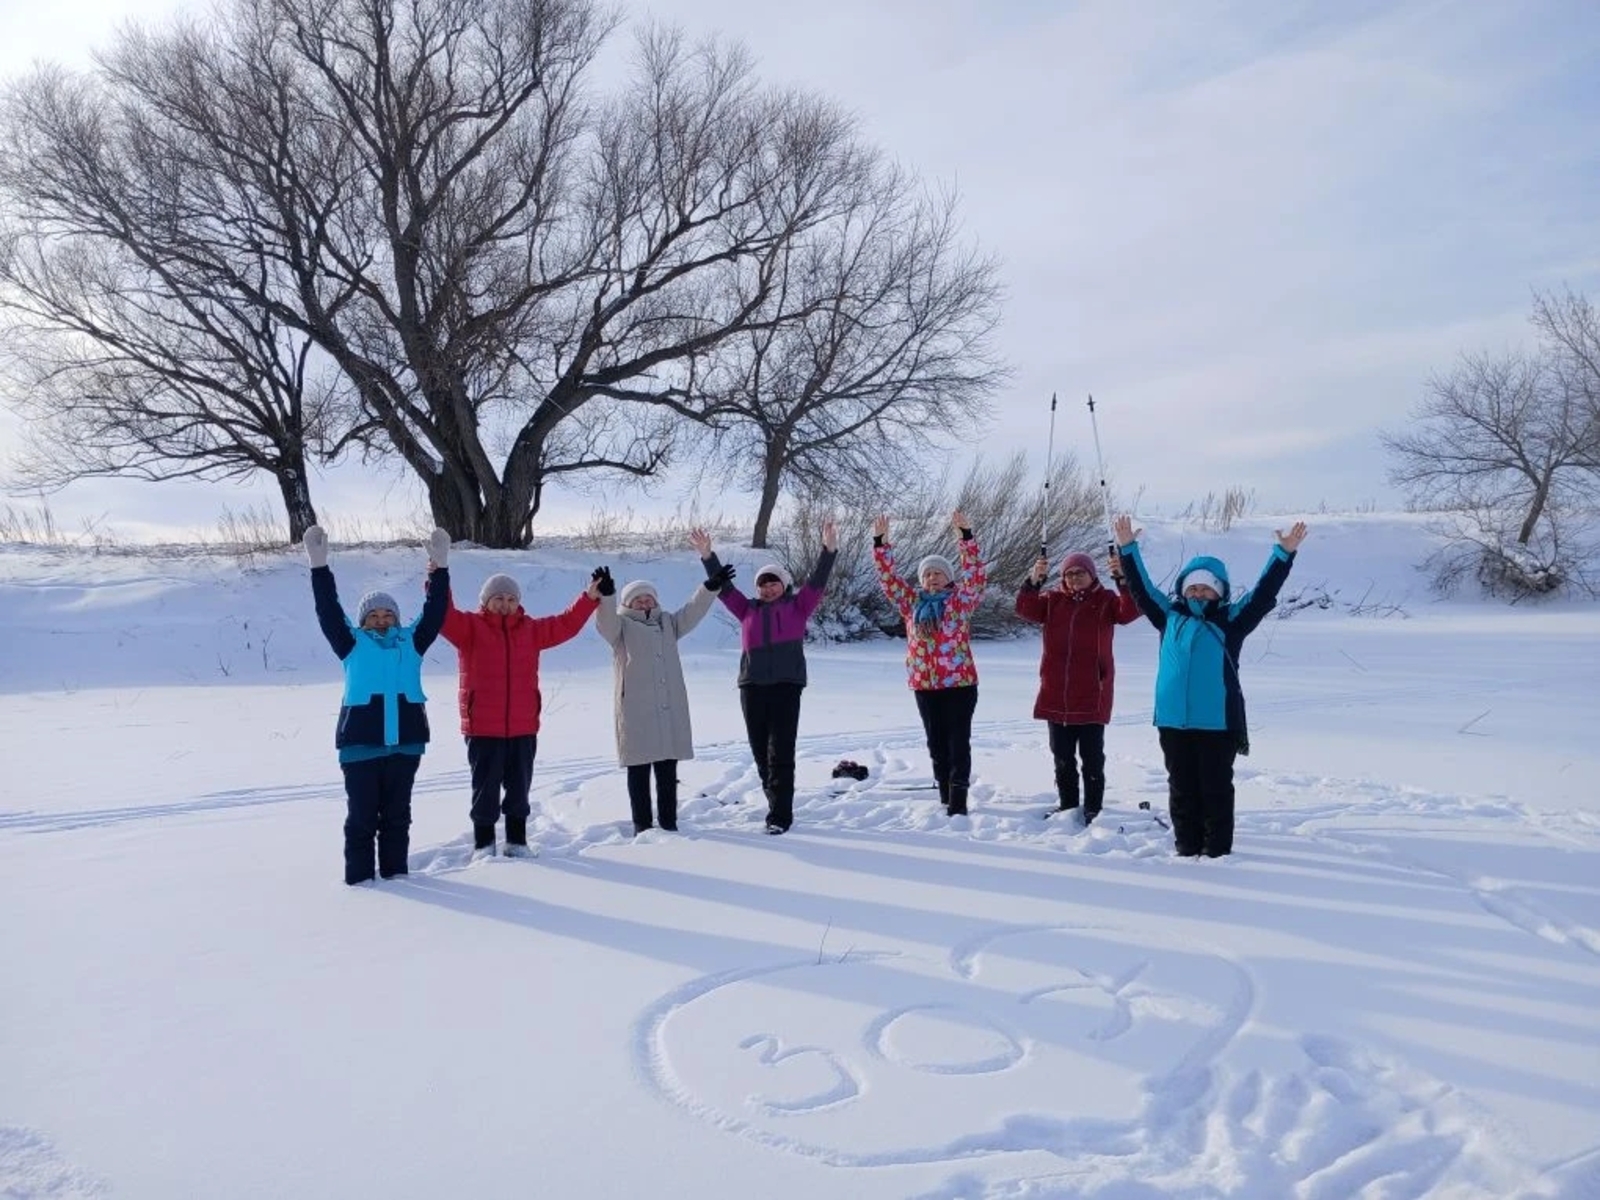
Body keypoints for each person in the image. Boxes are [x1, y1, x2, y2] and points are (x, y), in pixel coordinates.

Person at [1113, 514, 1309, 858]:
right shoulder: (1169, 615)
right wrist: (1128, 548)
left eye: (1206, 587)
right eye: (1193, 586)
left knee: (1215, 789)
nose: (1198, 592)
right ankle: (1186, 849)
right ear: (1183, 589)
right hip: (1173, 720)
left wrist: (1283, 554)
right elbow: (1140, 588)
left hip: (1217, 722)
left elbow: (1264, 594)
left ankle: (1217, 853)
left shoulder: (1233, 620)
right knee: (1181, 788)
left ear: (1219, 590)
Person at [304, 525, 450, 885]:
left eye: (387, 616)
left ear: (397, 620)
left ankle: (397, 877)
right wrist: (319, 566)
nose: (381, 621)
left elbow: (435, 612)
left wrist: (442, 568)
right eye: (374, 616)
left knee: (398, 817)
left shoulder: (411, 642)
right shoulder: (350, 644)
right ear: (363, 621)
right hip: (360, 747)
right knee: (362, 820)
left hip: (405, 745)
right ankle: (358, 883)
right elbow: (328, 610)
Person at [436, 560, 603, 859]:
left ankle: (516, 842)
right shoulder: (469, 629)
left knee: (518, 790)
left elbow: (566, 624)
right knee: (485, 792)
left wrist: (589, 598)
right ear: (485, 601)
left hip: (523, 726)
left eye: (511, 599)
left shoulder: (530, 630)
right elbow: (443, 615)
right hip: (483, 728)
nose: (505, 604)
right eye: (498, 598)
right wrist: (438, 573)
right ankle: (483, 845)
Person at [691, 521, 838, 835]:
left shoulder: (799, 607)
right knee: (761, 751)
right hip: (752, 687)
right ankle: (775, 801)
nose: (768, 588)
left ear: (784, 586)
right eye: (763, 584)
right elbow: (724, 588)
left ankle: (780, 815)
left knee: (781, 750)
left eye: (774, 584)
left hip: (786, 686)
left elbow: (818, 581)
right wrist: (708, 556)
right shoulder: (746, 609)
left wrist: (828, 550)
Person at [872, 509, 988, 816]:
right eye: (927, 574)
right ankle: (945, 794)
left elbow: (976, 574)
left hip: (960, 684)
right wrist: (881, 544)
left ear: (948, 578)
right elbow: (888, 581)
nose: (932, 578)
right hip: (925, 684)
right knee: (936, 743)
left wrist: (966, 537)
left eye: (938, 573)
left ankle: (959, 798)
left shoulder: (960, 602)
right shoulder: (913, 604)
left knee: (958, 742)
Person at [593, 559, 719, 835]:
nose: (645, 603)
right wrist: (607, 596)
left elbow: (692, 612)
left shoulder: (668, 623)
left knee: (666, 771)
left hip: (668, 708)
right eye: (638, 600)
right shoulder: (621, 627)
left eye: (649, 598)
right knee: (638, 772)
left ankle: (668, 821)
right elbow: (604, 622)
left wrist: (709, 588)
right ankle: (642, 824)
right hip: (636, 709)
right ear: (628, 604)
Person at [1015, 548, 1140, 823]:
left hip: (1092, 692)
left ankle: (1093, 808)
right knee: (1062, 757)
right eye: (1069, 574)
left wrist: (1122, 579)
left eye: (1080, 573)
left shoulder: (1106, 600)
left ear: (1091, 574)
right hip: (1055, 693)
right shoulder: (1051, 600)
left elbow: (1131, 610)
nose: (1074, 578)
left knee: (1092, 758)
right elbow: (1024, 608)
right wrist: (1033, 581)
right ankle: (1068, 806)